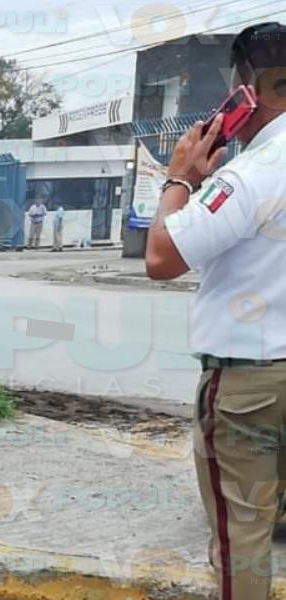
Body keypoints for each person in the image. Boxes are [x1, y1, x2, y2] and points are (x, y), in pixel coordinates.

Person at [145, 23, 286, 600]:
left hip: (250, 384)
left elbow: (161, 257)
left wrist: (180, 176)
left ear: (245, 90)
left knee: (242, 536)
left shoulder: (252, 172)